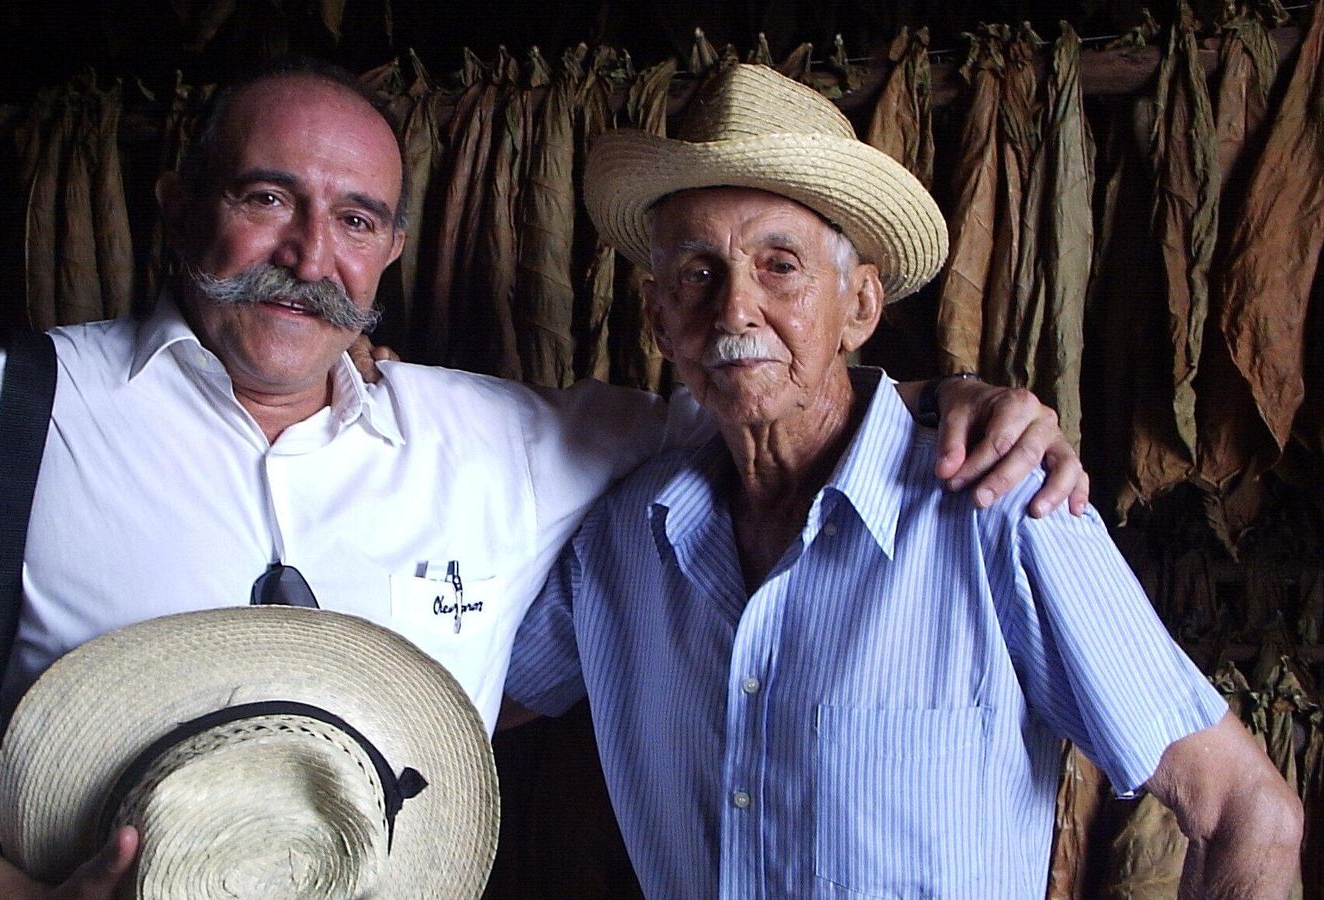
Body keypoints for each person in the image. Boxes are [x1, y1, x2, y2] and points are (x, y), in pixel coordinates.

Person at [0, 58, 1087, 898]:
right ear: (179, 206)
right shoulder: (10, 414)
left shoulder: (504, 442)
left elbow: (766, 394)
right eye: (268, 197)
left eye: (356, 218)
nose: (309, 254)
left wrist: (943, 408)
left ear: (388, 252)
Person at [503, 63, 1304, 898]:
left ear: (860, 308)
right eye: (698, 274)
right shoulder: (625, 541)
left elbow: (1249, 810)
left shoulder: (1001, 510)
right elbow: (471, 702)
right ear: (660, 317)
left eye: (781, 266)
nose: (734, 310)